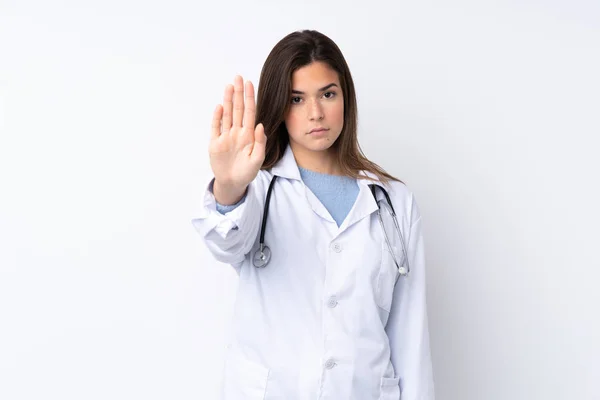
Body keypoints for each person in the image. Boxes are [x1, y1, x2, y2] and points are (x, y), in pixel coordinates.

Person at [192, 29, 434, 400]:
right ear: (279, 106)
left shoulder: (393, 201)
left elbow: (410, 334)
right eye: (297, 99)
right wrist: (228, 186)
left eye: (328, 94)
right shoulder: (258, 190)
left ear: (345, 98)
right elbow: (226, 239)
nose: (316, 113)